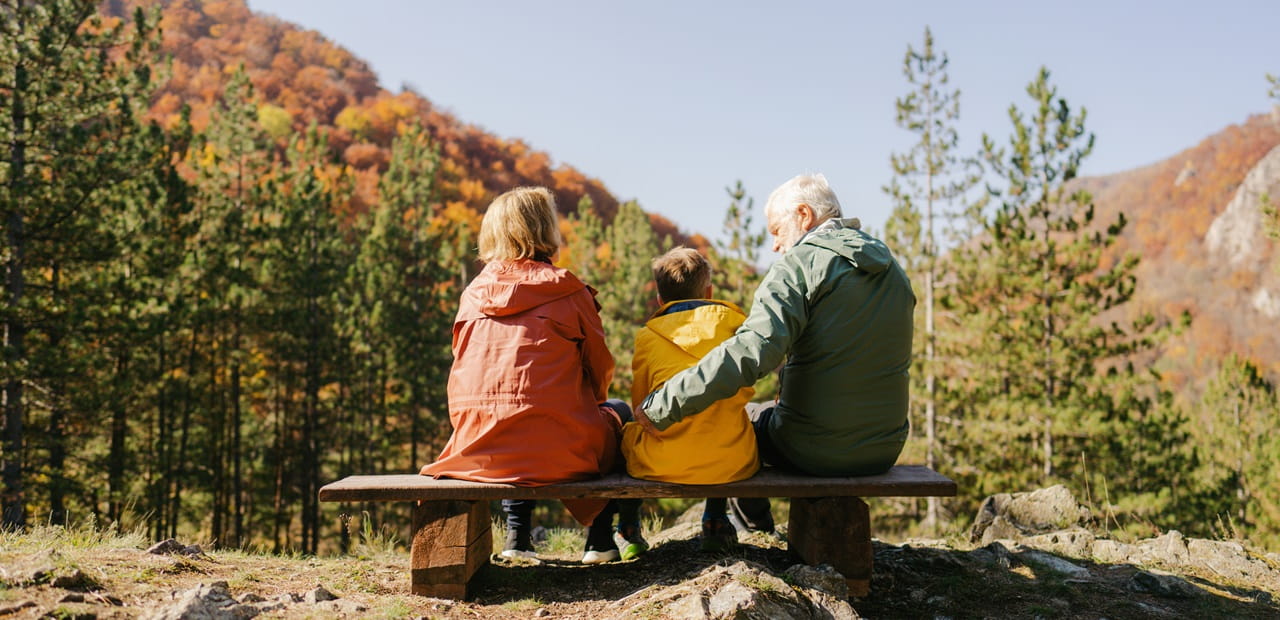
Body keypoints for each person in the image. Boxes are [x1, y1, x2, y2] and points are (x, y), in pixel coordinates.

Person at [634, 173, 915, 531]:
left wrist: (663, 404)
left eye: (776, 231)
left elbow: (752, 352)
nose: (775, 246)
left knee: (741, 419)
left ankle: (756, 529)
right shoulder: (893, 270)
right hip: (884, 447)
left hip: (814, 448)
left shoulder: (799, 266)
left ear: (803, 215)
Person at [420, 186, 625, 562]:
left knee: (513, 415)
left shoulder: (472, 295)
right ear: (546, 229)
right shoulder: (568, 291)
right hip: (560, 448)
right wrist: (590, 403)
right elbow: (600, 371)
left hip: (478, 448)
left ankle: (517, 538)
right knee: (617, 414)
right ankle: (600, 540)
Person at [606, 247, 760, 555]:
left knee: (625, 431)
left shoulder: (649, 336)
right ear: (709, 291)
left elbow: (642, 406)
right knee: (728, 420)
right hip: (730, 461)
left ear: (661, 299)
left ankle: (629, 528)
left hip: (662, 462)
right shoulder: (735, 326)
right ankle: (715, 521)